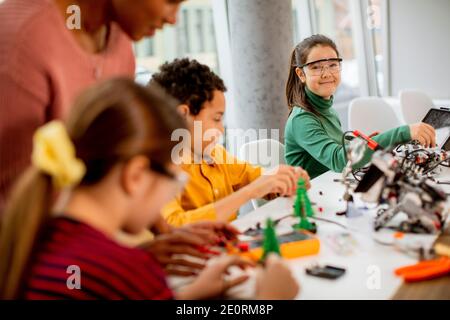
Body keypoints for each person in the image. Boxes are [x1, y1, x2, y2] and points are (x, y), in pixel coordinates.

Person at [0, 78, 299, 300]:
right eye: (173, 179)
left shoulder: (34, 239)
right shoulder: (124, 270)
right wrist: (268, 300)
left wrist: (192, 297)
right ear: (136, 175)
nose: (172, 192)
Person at [0, 0, 184, 212]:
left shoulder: (119, 39)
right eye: (171, 1)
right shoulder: (23, 38)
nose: (173, 19)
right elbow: (14, 203)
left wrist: (166, 233)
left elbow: (114, 171)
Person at [150, 58, 310, 227]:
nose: (220, 130)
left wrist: (284, 181)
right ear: (182, 115)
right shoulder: (157, 169)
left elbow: (257, 179)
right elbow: (174, 225)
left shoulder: (215, 155)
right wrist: (250, 192)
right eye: (216, 118)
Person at [284, 34, 436, 179]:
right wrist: (403, 132)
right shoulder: (301, 119)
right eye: (316, 67)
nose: (327, 74)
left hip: (331, 189)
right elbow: (338, 160)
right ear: (301, 74)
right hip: (309, 199)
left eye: (332, 65)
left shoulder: (326, 109)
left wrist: (366, 143)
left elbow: (339, 150)